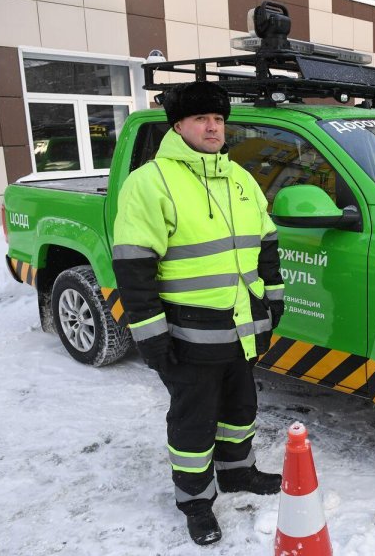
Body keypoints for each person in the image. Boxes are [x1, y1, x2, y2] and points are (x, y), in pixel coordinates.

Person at [111, 81, 285, 546]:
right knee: (194, 421)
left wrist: (274, 297)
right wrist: (150, 334)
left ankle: (237, 472)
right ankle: (195, 501)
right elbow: (134, 265)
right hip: (188, 332)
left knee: (240, 407)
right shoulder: (151, 181)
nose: (213, 127)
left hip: (242, 324)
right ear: (178, 125)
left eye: (219, 119)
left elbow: (266, 244)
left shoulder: (240, 178)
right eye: (201, 119)